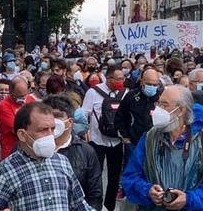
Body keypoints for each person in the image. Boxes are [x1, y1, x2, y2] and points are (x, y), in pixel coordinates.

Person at [122, 85, 203, 211]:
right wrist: (147, 191)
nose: (157, 110)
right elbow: (131, 176)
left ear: (181, 110)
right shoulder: (149, 138)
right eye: (158, 104)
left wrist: (188, 199)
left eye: (165, 105)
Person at [0, 102, 91, 211]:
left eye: (52, 129)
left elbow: (79, 204)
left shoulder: (62, 162)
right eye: (43, 130)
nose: (50, 135)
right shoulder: (5, 170)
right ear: (22, 135)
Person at [43, 95, 102, 210]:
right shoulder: (30, 147)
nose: (52, 121)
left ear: (70, 121)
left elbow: (95, 195)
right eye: (48, 115)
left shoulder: (86, 152)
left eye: (57, 116)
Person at [81, 65, 127, 211]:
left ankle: (110, 207)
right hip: (97, 140)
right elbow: (84, 114)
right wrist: (84, 131)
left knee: (114, 178)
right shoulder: (93, 92)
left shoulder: (125, 93)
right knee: (95, 176)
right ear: (108, 78)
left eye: (123, 78)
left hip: (117, 141)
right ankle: (96, 206)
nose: (121, 81)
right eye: (118, 79)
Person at [116, 66, 160, 155]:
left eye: (155, 85)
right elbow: (120, 116)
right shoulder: (131, 96)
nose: (152, 87)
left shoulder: (162, 97)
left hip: (156, 143)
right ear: (142, 81)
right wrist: (125, 137)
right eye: (149, 84)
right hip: (134, 142)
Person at [0, 76, 29, 159]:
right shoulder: (3, 106)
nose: (23, 98)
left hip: (28, 149)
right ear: (10, 92)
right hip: (11, 151)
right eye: (19, 96)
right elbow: (17, 130)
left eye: (24, 95)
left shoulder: (29, 99)